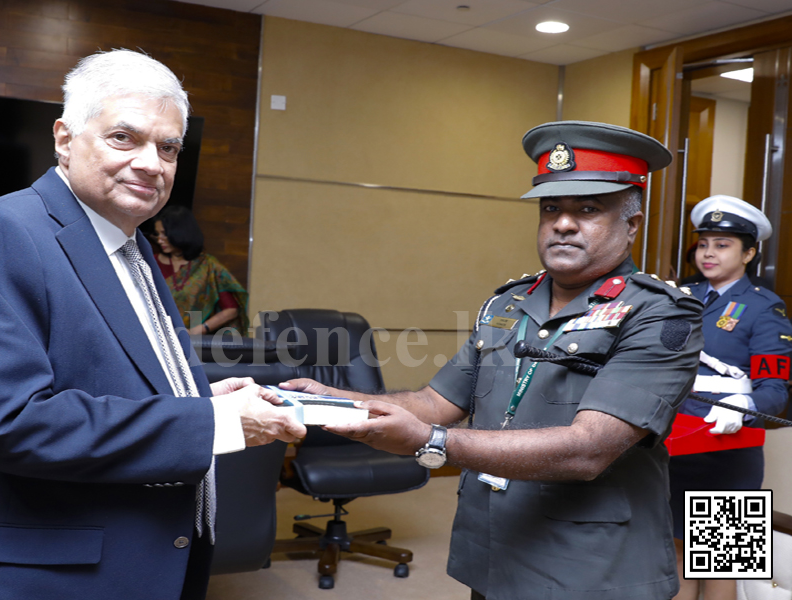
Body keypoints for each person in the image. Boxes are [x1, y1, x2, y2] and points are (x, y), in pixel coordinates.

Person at [0, 50, 306, 600]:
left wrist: (202, 398)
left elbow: (110, 377)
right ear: (65, 139)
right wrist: (211, 424)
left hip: (133, 564)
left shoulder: (131, 244)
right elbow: (10, 422)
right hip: (39, 577)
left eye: (169, 147)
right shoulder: (1, 231)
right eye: (126, 138)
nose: (153, 163)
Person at [283, 121, 704, 600]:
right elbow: (436, 400)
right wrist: (342, 402)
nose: (563, 223)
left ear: (631, 224)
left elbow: (589, 449)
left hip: (592, 567)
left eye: (588, 209)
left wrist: (432, 442)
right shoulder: (508, 303)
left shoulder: (661, 311)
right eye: (551, 209)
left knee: (726, 554)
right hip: (499, 551)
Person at [670, 195, 792, 600]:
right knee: (675, 555)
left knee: (721, 564)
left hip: (727, 450)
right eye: (704, 243)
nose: (708, 253)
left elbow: (775, 389)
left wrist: (747, 409)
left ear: (749, 252)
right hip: (673, 442)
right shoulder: (677, 296)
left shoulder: (764, 309)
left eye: (722, 245)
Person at [153, 206, 249, 336]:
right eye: (158, 234)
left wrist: (198, 330)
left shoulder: (208, 266)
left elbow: (231, 309)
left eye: (165, 234)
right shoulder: (150, 263)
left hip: (192, 343)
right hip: (153, 337)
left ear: (180, 232)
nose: (159, 240)